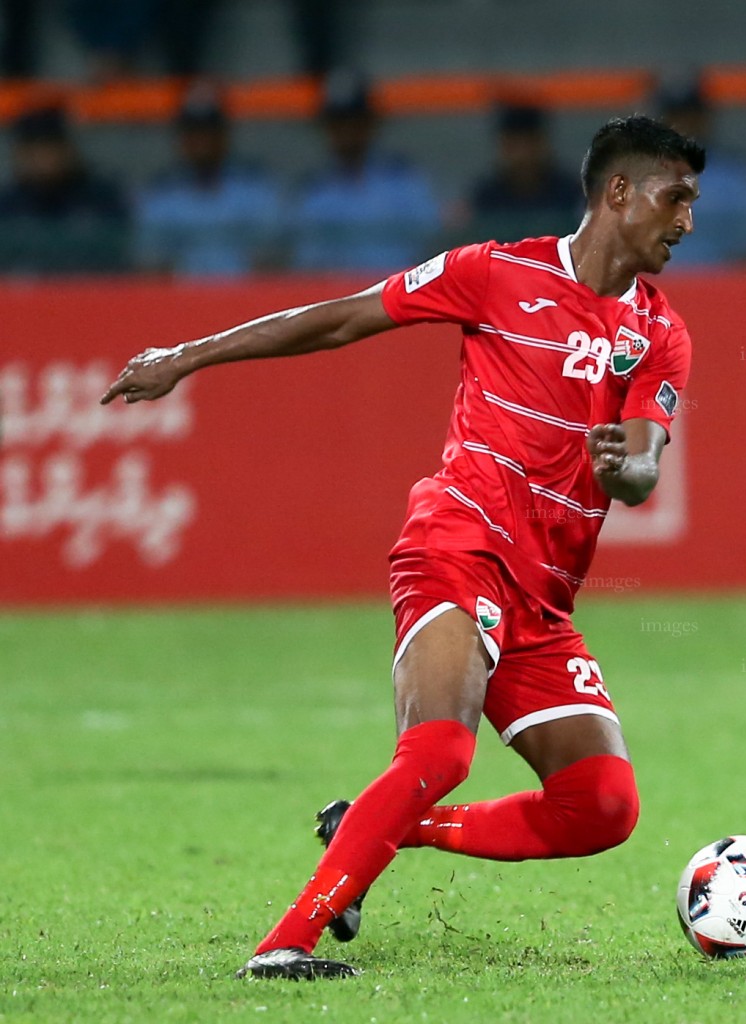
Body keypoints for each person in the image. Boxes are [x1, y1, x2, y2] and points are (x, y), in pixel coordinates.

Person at [101, 115, 705, 980]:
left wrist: (629, 467)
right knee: (440, 751)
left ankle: (376, 828)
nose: (688, 221)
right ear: (619, 191)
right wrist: (189, 355)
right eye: (675, 198)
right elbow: (343, 319)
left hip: (543, 596)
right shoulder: (491, 272)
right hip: (457, 543)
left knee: (602, 807)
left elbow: (644, 465)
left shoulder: (661, 332)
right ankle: (284, 945)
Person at [291, 71, 441, 273]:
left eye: (355, 122)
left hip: (395, 295)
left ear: (370, 123)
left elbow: (430, 247)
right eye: (338, 123)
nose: (347, 132)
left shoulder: (404, 181)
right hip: (333, 297)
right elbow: (306, 263)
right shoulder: (312, 191)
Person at [135, 83, 284, 276]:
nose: (202, 140)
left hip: (248, 300)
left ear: (224, 133)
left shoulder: (257, 189)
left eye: (209, 130)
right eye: (193, 131)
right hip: (179, 302)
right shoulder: (160, 196)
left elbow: (273, 261)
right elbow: (150, 267)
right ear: (181, 137)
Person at [652, 73, 746, 264]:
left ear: (706, 118)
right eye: (673, 117)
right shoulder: (636, 176)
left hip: (720, 287)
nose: (681, 126)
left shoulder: (734, 176)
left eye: (691, 116)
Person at [0, 104, 129, 272]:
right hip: (23, 294)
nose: (44, 159)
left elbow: (123, 257)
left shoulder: (102, 197)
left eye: (51, 148)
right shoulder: (6, 204)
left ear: (68, 149)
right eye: (34, 150)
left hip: (90, 291)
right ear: (20, 154)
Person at [463, 101, 585, 244]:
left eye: (528, 144)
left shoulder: (570, 192)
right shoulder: (485, 196)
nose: (521, 155)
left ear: (542, 143)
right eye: (513, 145)